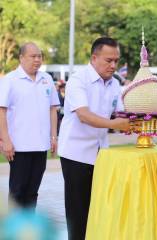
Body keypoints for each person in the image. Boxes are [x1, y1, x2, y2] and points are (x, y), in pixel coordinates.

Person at [58, 37, 130, 240]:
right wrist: (115, 124)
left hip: (101, 153)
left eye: (116, 60)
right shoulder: (78, 80)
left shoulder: (115, 83)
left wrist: (141, 117)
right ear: (94, 57)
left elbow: (121, 113)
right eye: (109, 60)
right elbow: (84, 115)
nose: (113, 65)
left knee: (98, 207)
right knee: (78, 212)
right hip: (76, 154)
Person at [0, 42, 59, 209]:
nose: (37, 60)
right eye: (33, 56)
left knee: (33, 192)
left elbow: (52, 109)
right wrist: (5, 140)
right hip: (19, 147)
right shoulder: (10, 80)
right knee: (18, 192)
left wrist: (54, 137)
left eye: (39, 56)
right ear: (21, 58)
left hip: (41, 146)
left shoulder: (46, 79)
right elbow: (1, 111)